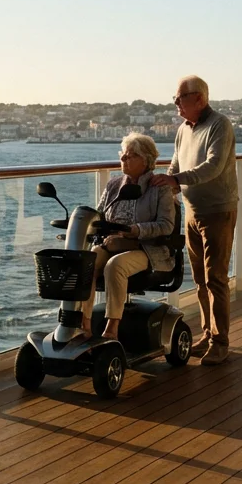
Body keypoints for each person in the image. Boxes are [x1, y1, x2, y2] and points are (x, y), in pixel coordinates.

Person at [150, 75, 238, 365]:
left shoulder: (220, 125)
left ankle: (221, 342)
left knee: (216, 279)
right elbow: (176, 165)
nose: (176, 103)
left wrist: (176, 180)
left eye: (180, 98)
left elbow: (213, 166)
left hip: (217, 211)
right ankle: (207, 334)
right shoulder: (182, 130)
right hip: (192, 211)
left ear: (199, 98)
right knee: (200, 280)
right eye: (175, 98)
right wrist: (165, 186)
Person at [77, 132, 178, 341]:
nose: (123, 158)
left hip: (146, 248)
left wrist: (135, 230)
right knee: (87, 262)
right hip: (112, 244)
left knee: (115, 265)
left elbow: (166, 225)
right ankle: (84, 325)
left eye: (130, 155)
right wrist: (80, 223)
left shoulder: (159, 189)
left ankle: (112, 328)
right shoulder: (114, 185)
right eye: (123, 154)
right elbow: (99, 215)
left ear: (146, 160)